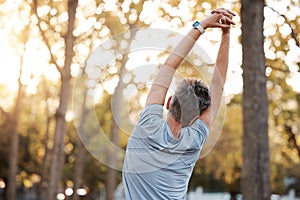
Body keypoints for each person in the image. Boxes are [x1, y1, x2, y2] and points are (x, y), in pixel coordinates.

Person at [122, 8, 236, 200]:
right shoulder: (195, 139)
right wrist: (226, 34)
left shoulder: (148, 124)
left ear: (168, 102)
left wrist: (202, 25)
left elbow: (169, 65)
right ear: (195, 118)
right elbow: (218, 82)